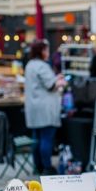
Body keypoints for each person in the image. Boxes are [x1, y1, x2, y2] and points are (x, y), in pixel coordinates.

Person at [24, 40, 66, 174]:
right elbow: (51, 86)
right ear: (42, 51)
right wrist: (60, 82)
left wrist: (55, 78)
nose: (48, 53)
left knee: (36, 139)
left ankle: (38, 166)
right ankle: (47, 167)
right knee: (46, 139)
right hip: (45, 109)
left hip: (33, 108)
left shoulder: (30, 64)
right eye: (47, 50)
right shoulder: (42, 66)